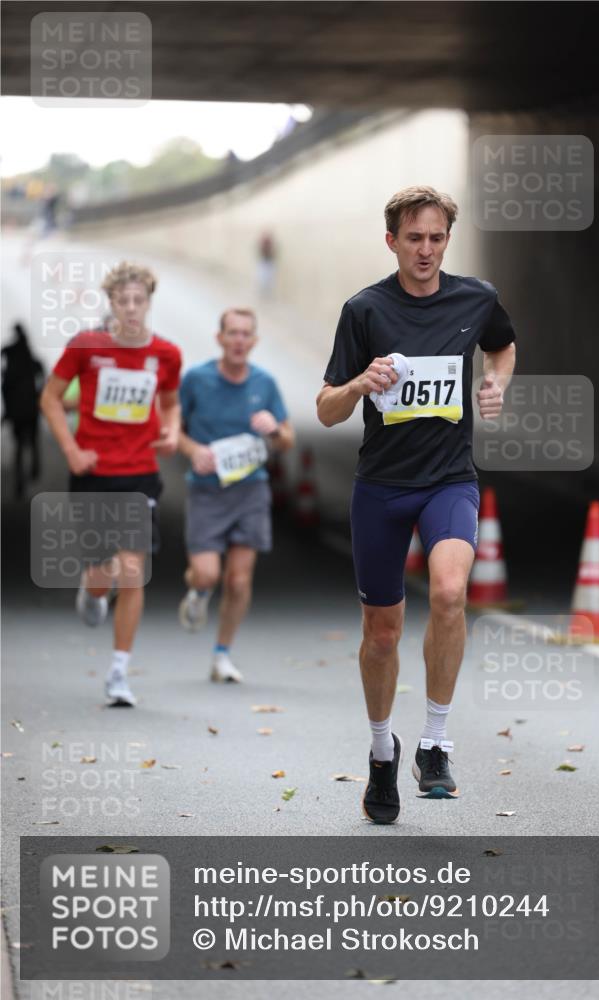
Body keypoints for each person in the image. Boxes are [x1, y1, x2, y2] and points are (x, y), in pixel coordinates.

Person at [316, 186, 517, 824]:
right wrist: (359, 382)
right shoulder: (364, 310)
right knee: (382, 633)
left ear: (447, 240)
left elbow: (502, 345)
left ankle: (435, 742)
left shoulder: (476, 298)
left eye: (436, 238)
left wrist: (495, 383)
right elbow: (326, 409)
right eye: (414, 238)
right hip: (381, 487)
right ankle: (383, 752)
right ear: (392, 242)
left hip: (449, 479)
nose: (426, 250)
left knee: (451, 593)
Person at [40, 262, 181, 707]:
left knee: (133, 572)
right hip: (93, 474)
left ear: (149, 302)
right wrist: (71, 451)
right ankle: (92, 589)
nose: (132, 308)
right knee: (102, 575)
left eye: (139, 300)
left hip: (140, 475)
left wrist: (173, 431)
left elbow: (170, 403)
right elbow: (50, 399)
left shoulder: (166, 354)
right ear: (112, 303)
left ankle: (119, 672)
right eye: (124, 301)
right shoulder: (86, 347)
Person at [178, 307, 294, 682]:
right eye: (233, 333)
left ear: (254, 341)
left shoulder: (265, 383)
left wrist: (274, 430)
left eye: (246, 334)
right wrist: (193, 450)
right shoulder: (197, 379)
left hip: (250, 490)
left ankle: (222, 654)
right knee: (207, 574)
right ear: (220, 338)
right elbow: (171, 429)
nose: (239, 340)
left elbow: (287, 440)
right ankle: (198, 590)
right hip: (207, 491)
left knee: (238, 580)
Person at [1, 323, 44, 498]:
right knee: (32, 442)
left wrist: (7, 412)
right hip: (30, 409)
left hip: (18, 411)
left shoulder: (12, 357)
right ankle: (33, 469)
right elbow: (41, 376)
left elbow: (6, 389)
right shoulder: (28, 356)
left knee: (20, 446)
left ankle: (21, 479)